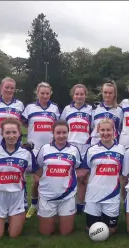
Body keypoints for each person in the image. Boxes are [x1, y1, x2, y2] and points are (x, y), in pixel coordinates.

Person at [0, 118, 38, 239]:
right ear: (2, 134)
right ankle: (3, 220)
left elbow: (35, 171)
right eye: (7, 133)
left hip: (17, 197)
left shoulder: (26, 153)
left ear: (19, 133)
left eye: (14, 132)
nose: (11, 136)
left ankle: (12, 219)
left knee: (13, 235)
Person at [35, 120, 81, 235]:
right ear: (53, 133)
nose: (61, 136)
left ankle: (61, 214)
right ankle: (52, 215)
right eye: (58, 133)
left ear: (68, 133)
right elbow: (39, 168)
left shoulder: (74, 150)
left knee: (65, 232)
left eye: (64, 132)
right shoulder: (45, 148)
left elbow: (78, 168)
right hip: (47, 195)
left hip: (67, 196)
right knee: (46, 233)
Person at [22, 82, 61, 219]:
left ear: (50, 93)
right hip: (35, 148)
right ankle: (34, 205)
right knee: (37, 179)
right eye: (42, 93)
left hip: (50, 148)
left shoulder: (55, 108)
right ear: (37, 93)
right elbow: (24, 123)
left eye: (47, 93)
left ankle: (51, 204)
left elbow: (58, 125)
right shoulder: (30, 108)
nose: (45, 95)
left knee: (51, 178)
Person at [81, 119, 125, 235]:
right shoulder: (91, 150)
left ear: (114, 131)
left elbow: (123, 173)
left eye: (108, 130)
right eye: (103, 130)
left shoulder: (121, 150)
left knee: (111, 231)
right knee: (91, 230)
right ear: (98, 131)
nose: (106, 133)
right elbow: (84, 171)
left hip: (112, 196)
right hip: (93, 195)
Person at [60, 84, 93, 215]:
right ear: (73, 95)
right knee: (65, 176)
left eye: (82, 94)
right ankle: (64, 201)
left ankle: (80, 204)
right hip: (70, 147)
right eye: (77, 94)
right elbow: (61, 126)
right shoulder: (67, 109)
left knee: (83, 178)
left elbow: (94, 128)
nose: (79, 96)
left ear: (85, 95)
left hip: (85, 147)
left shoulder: (91, 110)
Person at [0, 77, 25, 147]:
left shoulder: (20, 104)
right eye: (6, 87)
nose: (9, 90)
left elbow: (22, 124)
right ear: (1, 87)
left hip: (13, 146)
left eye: (12, 88)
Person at [90, 80, 123, 146]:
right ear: (102, 93)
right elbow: (91, 127)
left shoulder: (120, 110)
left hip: (112, 145)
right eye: (105, 92)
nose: (107, 95)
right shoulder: (95, 108)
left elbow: (120, 129)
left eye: (110, 93)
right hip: (95, 144)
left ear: (114, 94)